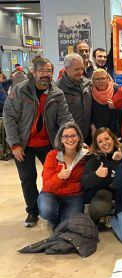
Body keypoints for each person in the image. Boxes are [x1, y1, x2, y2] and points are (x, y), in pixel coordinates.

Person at [3, 57, 73, 227]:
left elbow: (65, 117)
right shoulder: (20, 90)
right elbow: (9, 117)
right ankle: (33, 211)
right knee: (28, 178)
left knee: (54, 175)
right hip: (24, 144)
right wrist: (14, 144)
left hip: (48, 143)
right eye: (41, 70)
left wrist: (71, 136)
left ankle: (54, 207)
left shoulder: (57, 93)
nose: (45, 74)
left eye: (48, 71)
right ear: (33, 72)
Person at [37, 122, 88, 230]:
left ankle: (61, 221)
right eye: (66, 136)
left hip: (74, 196)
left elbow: (99, 153)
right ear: (61, 138)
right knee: (47, 210)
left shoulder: (85, 155)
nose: (70, 139)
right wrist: (59, 177)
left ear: (79, 137)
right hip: (52, 193)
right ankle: (54, 218)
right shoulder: (52, 155)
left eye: (73, 135)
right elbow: (47, 186)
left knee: (69, 227)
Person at [81, 127, 122, 225]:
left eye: (107, 139)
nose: (104, 143)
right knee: (98, 209)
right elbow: (85, 182)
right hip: (105, 192)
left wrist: (121, 160)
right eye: (100, 141)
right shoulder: (94, 158)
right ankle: (98, 220)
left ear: (113, 138)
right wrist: (96, 175)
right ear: (97, 145)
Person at [57, 53, 92, 142]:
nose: (80, 72)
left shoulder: (87, 84)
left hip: (86, 137)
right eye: (76, 69)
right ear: (67, 68)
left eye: (81, 68)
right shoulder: (57, 88)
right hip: (69, 140)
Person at [90, 69, 121, 137]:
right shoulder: (90, 92)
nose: (100, 81)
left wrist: (115, 105)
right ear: (93, 81)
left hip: (113, 130)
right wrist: (92, 128)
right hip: (96, 130)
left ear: (108, 79)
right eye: (97, 79)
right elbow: (89, 112)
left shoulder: (116, 89)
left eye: (103, 78)